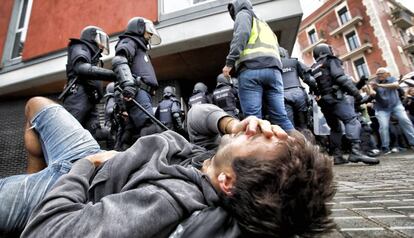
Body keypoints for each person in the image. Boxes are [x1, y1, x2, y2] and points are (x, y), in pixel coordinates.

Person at [0, 96, 335, 237]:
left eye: (253, 138)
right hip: (92, 156)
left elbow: (48, 232)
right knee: (37, 106)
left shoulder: (165, 201)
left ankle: (30, 193)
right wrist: (233, 126)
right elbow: (198, 114)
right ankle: (34, 173)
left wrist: (84, 167)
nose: (254, 127)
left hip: (72, 182)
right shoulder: (208, 163)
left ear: (228, 182)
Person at [222, 0, 294, 132]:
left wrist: (229, 63)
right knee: (282, 118)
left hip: (251, 70)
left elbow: (241, 35)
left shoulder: (243, 15)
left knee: (253, 120)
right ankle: (301, 150)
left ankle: (259, 152)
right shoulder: (264, 24)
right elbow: (279, 50)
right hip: (274, 72)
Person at [310, 43, 379, 165]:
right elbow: (340, 78)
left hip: (324, 103)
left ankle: (337, 156)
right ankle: (355, 152)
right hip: (336, 98)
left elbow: (313, 88)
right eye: (329, 48)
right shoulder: (330, 60)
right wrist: (357, 95)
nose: (331, 50)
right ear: (324, 51)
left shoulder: (313, 67)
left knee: (335, 128)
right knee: (352, 120)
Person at [112, 17, 162, 147]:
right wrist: (128, 85)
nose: (151, 34)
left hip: (142, 93)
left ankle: (124, 160)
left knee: (131, 131)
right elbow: (119, 60)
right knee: (149, 127)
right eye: (148, 30)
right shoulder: (129, 41)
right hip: (137, 91)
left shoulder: (140, 47)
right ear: (139, 28)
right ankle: (153, 162)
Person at [61, 26, 115, 141]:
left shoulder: (95, 57)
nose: (102, 44)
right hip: (79, 95)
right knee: (71, 131)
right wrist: (113, 75)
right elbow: (82, 68)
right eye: (100, 39)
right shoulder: (80, 47)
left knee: (93, 134)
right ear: (91, 37)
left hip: (92, 98)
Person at [369, 67, 414, 154]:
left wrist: (379, 85)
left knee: (405, 120)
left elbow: (396, 85)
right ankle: (385, 146)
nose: (379, 75)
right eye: (377, 74)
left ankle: (413, 142)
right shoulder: (374, 82)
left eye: (381, 73)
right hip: (381, 108)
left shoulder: (392, 79)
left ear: (387, 74)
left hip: (396, 105)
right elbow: (371, 93)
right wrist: (371, 90)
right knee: (384, 126)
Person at [279, 47, 318, 130]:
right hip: (298, 94)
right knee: (303, 126)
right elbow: (309, 79)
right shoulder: (294, 62)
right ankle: (306, 140)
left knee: (290, 127)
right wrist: (316, 92)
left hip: (282, 96)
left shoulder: (273, 66)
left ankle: (294, 140)